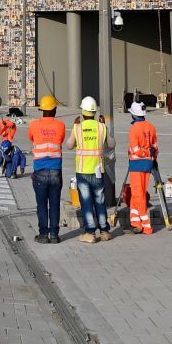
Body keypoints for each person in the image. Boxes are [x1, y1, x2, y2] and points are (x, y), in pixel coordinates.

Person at [67, 95, 112, 243]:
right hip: (98, 171)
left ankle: (90, 233)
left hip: (83, 172)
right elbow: (112, 144)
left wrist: (75, 129)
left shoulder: (78, 127)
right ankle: (105, 231)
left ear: (83, 111)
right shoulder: (101, 127)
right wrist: (105, 128)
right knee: (100, 200)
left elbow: (69, 145)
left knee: (86, 203)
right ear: (94, 112)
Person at [27, 95, 67, 244]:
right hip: (56, 170)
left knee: (42, 204)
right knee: (55, 204)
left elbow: (31, 138)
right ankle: (54, 235)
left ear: (42, 110)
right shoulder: (61, 125)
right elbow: (61, 139)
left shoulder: (34, 125)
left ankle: (43, 235)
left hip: (40, 171)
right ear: (55, 110)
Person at [125, 102, 159, 235]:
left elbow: (136, 150)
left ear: (133, 115)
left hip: (137, 164)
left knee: (138, 195)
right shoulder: (151, 127)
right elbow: (156, 147)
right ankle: (135, 222)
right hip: (148, 164)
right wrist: (151, 155)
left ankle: (146, 225)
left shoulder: (134, 129)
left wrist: (144, 153)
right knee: (138, 193)